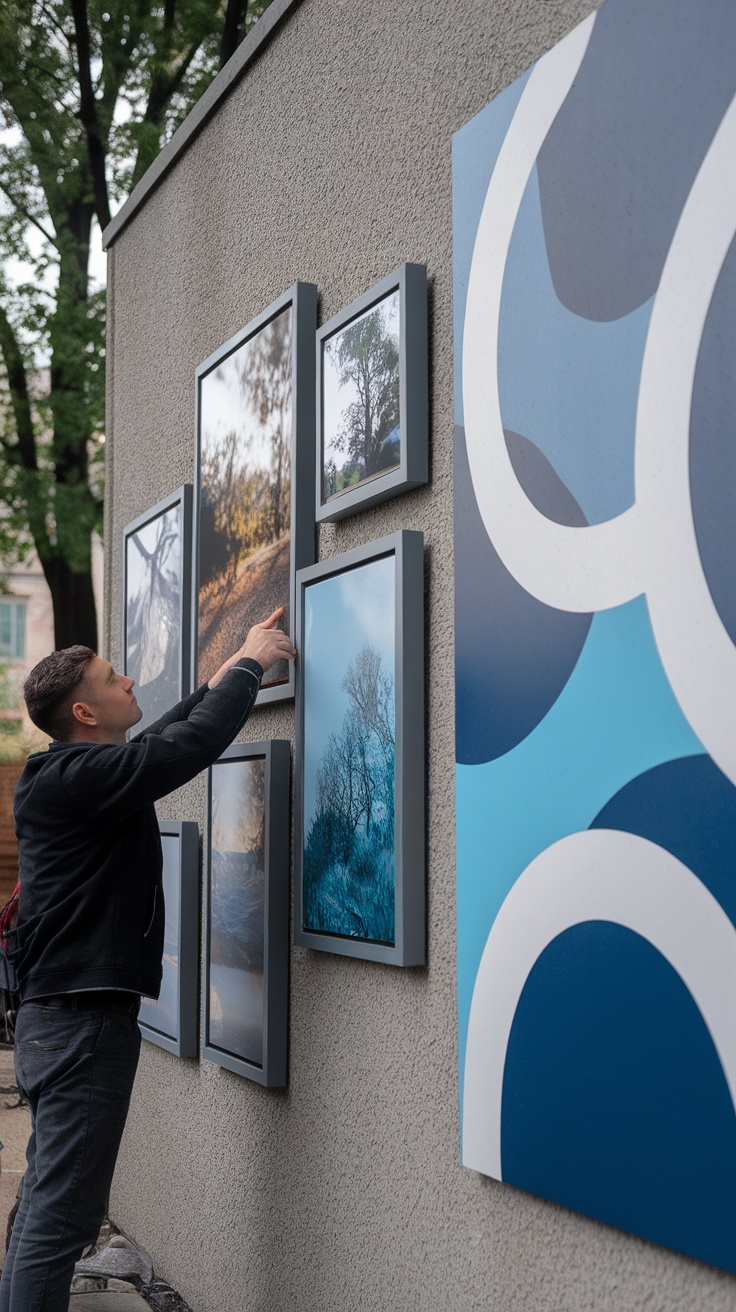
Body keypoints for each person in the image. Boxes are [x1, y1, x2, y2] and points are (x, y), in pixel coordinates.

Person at [0, 607, 295, 1312]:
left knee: (48, 1202)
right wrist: (251, 665)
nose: (129, 678)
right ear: (85, 711)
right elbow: (178, 751)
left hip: (62, 1023)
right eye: (112, 677)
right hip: (80, 1027)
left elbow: (163, 736)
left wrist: (227, 674)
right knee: (62, 1219)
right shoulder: (72, 782)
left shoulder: (76, 774)